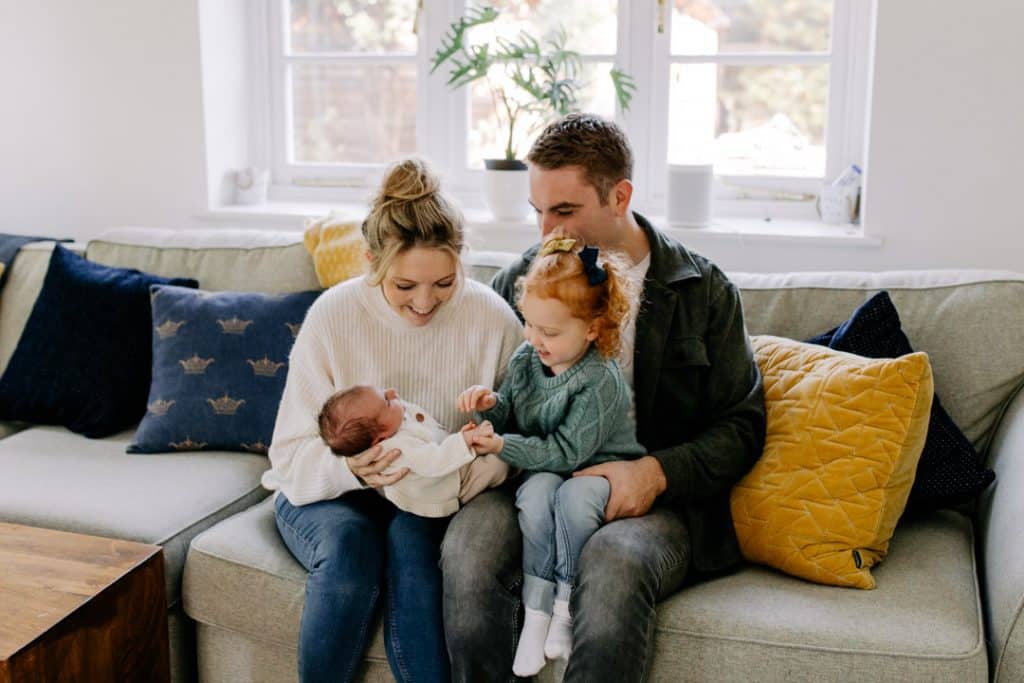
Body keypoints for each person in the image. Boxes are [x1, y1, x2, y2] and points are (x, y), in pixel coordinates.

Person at [441, 113, 767, 683]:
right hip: (533, 476)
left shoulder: (704, 291)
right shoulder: (523, 278)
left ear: (620, 196)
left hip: (651, 505)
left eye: (564, 211)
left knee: (613, 563)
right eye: (537, 210)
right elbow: (469, 383)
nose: (546, 231)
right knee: (467, 549)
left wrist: (655, 474)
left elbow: (742, 427)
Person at [262, 157, 522, 683]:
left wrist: (489, 468)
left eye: (444, 284)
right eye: (404, 286)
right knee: (350, 550)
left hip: (428, 494)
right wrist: (356, 471)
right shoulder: (334, 316)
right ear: (370, 261)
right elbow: (289, 455)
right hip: (329, 496)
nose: (424, 304)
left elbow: (524, 433)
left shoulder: (492, 318)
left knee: (412, 545)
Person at [457, 235, 646, 677]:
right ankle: (536, 613)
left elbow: (566, 452)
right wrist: (490, 406)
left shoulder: (599, 379)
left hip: (598, 465)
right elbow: (515, 416)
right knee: (536, 495)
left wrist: (503, 446)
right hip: (546, 465)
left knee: (573, 500)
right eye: (530, 324)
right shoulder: (528, 358)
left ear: (593, 328)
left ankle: (564, 603)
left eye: (550, 332)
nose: (534, 339)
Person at [317, 384, 505, 518]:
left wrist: (460, 439)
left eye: (383, 391)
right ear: (380, 439)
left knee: (485, 447)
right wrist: (464, 440)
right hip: (451, 486)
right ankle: (518, 466)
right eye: (387, 401)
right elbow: (434, 460)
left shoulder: (392, 424)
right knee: (499, 464)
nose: (392, 392)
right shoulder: (396, 449)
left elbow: (431, 440)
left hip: (445, 465)